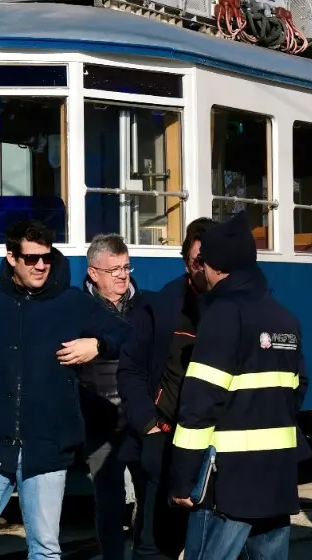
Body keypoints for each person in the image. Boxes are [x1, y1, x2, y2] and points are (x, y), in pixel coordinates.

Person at [0, 220, 132, 560]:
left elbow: (125, 335)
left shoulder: (71, 302)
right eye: (31, 258)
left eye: (46, 258)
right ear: (11, 258)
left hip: (46, 448)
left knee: (46, 549)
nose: (40, 266)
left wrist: (98, 343)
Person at [170, 211, 308, 559]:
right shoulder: (284, 318)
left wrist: (185, 477)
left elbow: (200, 403)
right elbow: (297, 387)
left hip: (228, 483)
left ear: (215, 266)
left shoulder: (223, 315)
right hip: (275, 479)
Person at [116, 217, 215, 559]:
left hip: (219, 445)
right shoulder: (160, 306)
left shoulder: (239, 308)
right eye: (196, 260)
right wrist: (148, 425)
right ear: (186, 259)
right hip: (165, 439)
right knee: (156, 542)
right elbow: (130, 368)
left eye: (209, 260)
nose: (202, 268)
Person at [80, 233, 145, 560]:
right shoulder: (76, 310)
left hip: (141, 418)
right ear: (93, 273)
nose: (122, 275)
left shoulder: (144, 305)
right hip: (100, 421)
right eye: (114, 269)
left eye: (126, 267)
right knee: (108, 501)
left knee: (149, 496)